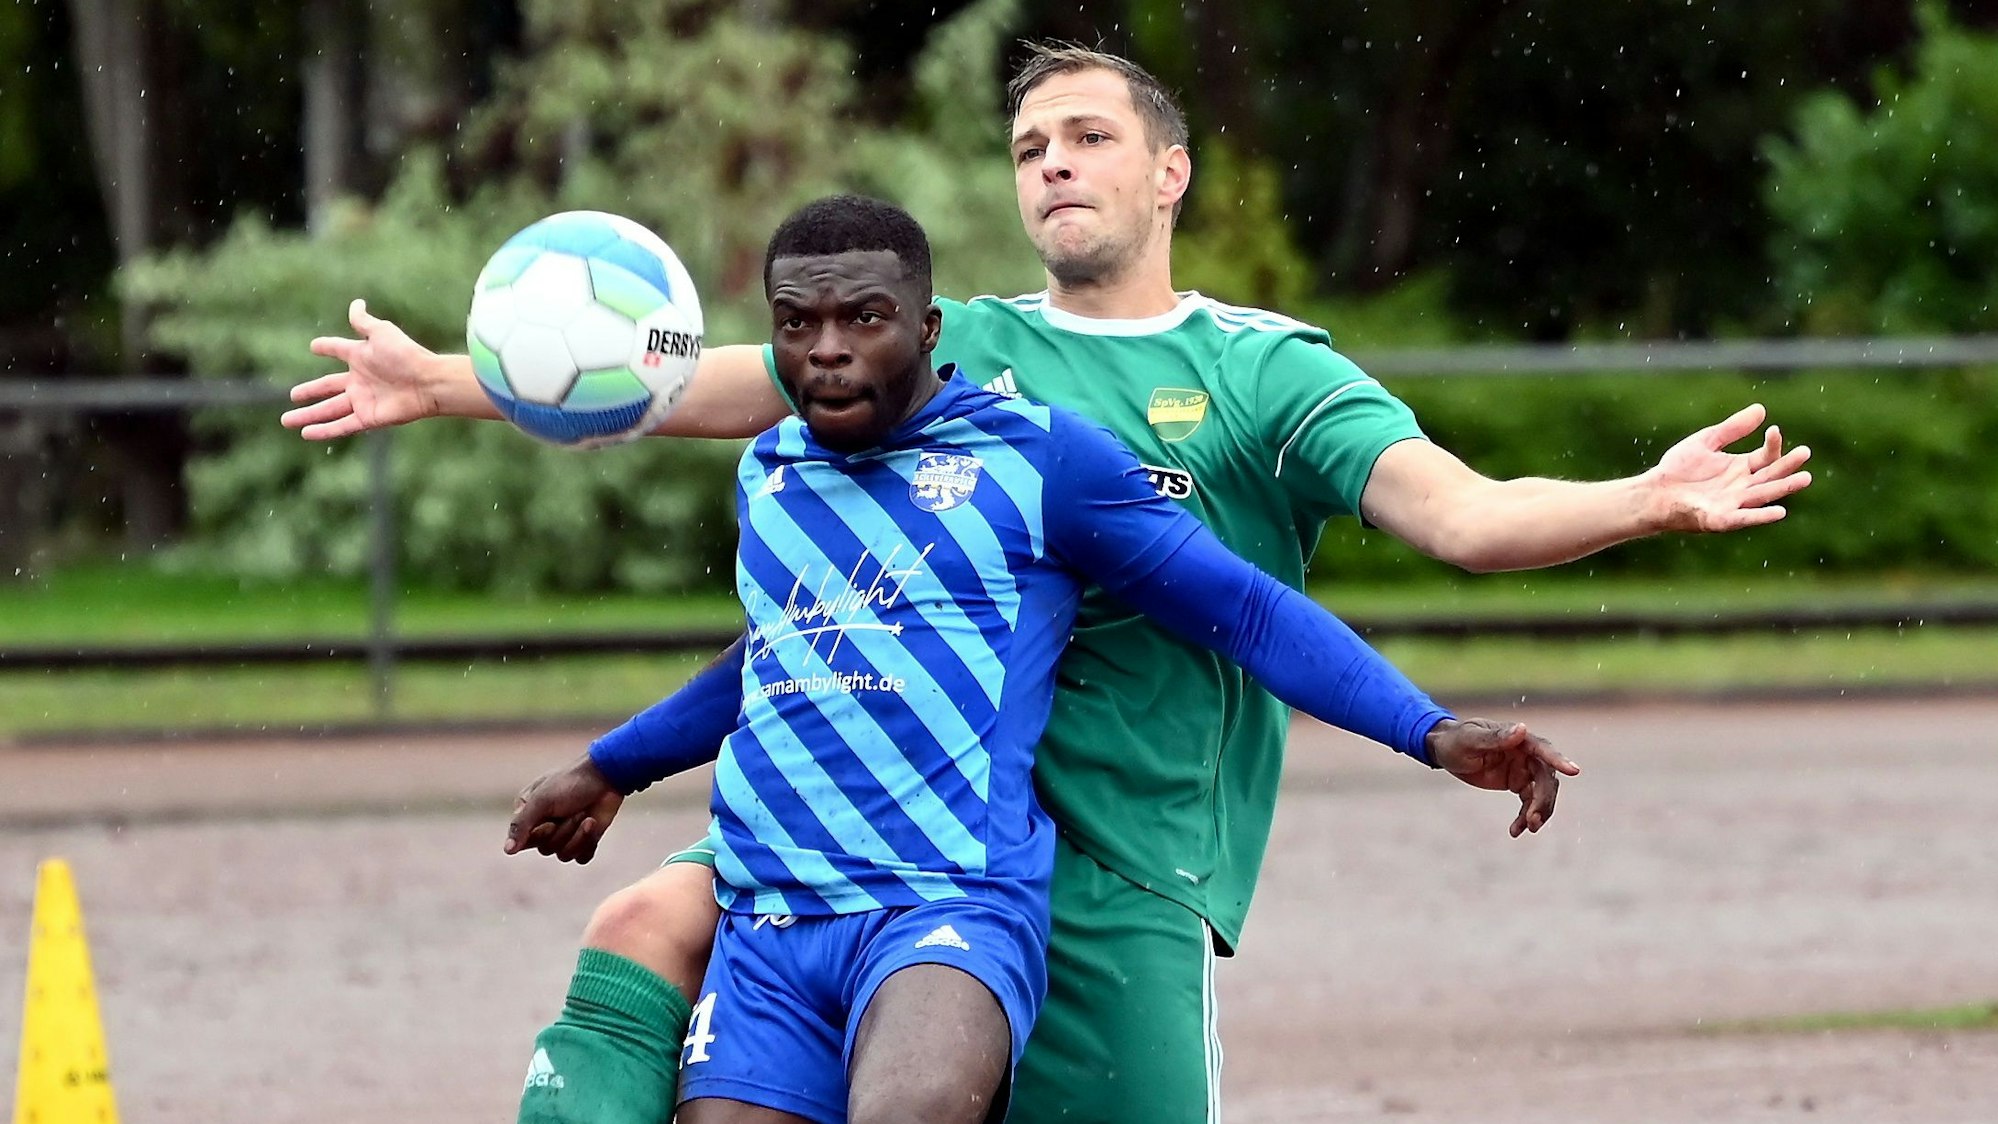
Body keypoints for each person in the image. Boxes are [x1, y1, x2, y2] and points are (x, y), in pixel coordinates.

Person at [290, 44, 1810, 1124]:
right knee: (646, 916)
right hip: (899, 829)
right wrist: (460, 381)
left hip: (1128, 856)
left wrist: (1645, 501)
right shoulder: (944, 352)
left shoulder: (1261, 371)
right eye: (1027, 148)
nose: (1053, 165)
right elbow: (676, 383)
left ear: (1169, 169)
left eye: (1085, 136)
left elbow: (1462, 524)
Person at [583, 192, 1570, 1124]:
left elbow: (1248, 610)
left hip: (950, 901)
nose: (829, 351)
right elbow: (779, 651)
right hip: (777, 912)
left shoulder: (1043, 458)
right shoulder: (774, 468)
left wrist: (1428, 728)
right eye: (798, 325)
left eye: (865, 319)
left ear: (929, 331)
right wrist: (609, 765)